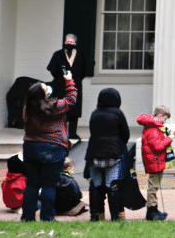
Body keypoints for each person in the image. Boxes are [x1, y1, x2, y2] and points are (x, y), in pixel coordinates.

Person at [20, 75, 78, 221]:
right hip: (54, 148)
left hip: (31, 147)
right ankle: (47, 217)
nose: (48, 88)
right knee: (49, 185)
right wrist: (69, 81)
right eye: (45, 88)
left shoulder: (28, 109)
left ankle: (27, 217)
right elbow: (71, 100)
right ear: (43, 94)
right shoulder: (54, 107)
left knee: (31, 185)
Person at [85, 87, 129, 222]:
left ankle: (95, 216)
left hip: (94, 153)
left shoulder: (94, 113)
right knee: (113, 185)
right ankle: (115, 216)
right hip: (113, 154)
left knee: (96, 186)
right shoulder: (118, 113)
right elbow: (125, 134)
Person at [46, 34, 88, 141]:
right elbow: (52, 70)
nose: (69, 44)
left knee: (75, 108)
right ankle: (61, 132)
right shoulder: (58, 55)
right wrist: (60, 79)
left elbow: (84, 71)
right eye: (67, 42)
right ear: (64, 42)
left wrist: (76, 80)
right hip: (60, 86)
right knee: (61, 108)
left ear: (75, 43)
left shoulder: (80, 55)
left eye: (72, 42)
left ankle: (72, 133)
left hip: (76, 85)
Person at [137, 105, 172, 221]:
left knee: (154, 185)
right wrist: (170, 138)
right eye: (165, 119)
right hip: (155, 161)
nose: (165, 121)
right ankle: (151, 210)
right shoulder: (153, 129)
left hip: (154, 160)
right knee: (153, 186)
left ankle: (153, 209)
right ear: (160, 116)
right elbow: (158, 146)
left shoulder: (153, 128)